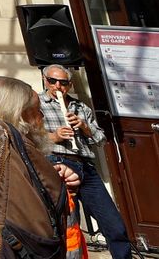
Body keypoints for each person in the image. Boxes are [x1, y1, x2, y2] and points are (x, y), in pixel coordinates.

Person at [0, 76, 84, 259]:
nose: (42, 118)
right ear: (19, 114)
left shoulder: (11, 150)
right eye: (37, 110)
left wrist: (55, 177)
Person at [40, 64, 133, 259]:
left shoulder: (80, 106)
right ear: (44, 80)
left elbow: (100, 139)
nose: (58, 86)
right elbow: (28, 137)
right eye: (52, 81)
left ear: (70, 84)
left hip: (85, 166)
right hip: (56, 164)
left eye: (63, 82)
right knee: (65, 226)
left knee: (113, 223)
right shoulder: (37, 104)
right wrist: (54, 137)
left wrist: (84, 127)